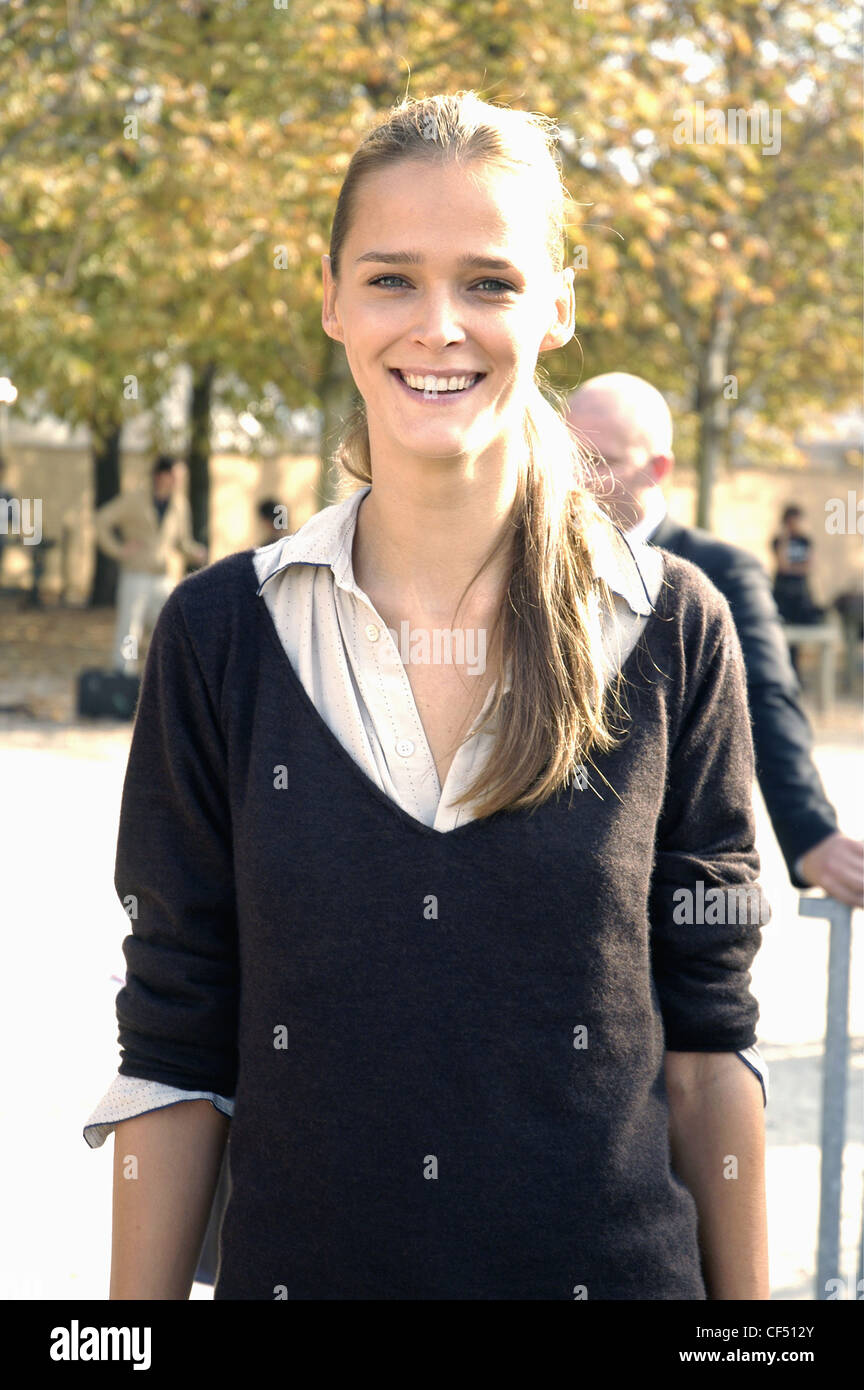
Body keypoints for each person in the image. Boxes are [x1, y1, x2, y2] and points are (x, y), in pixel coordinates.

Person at [84, 93, 770, 1301]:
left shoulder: (676, 629)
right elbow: (174, 1044)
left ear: (560, 302)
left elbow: (711, 1045)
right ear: (335, 299)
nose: (439, 326)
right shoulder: (217, 636)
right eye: (393, 279)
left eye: (490, 283)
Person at [565, 372, 863, 910]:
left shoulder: (721, 570)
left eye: (602, 462)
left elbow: (765, 700)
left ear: (659, 470)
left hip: (664, 872)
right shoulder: (530, 560)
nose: (577, 480)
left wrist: (811, 833)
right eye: (568, 457)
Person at [94, 455, 207, 673]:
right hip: (136, 574)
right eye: (175, 476)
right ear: (161, 476)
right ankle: (123, 674)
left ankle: (165, 676)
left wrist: (197, 553)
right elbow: (101, 520)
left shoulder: (179, 505)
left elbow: (181, 543)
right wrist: (118, 549)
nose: (179, 481)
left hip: (163, 577)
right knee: (130, 628)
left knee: (171, 626)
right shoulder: (134, 499)